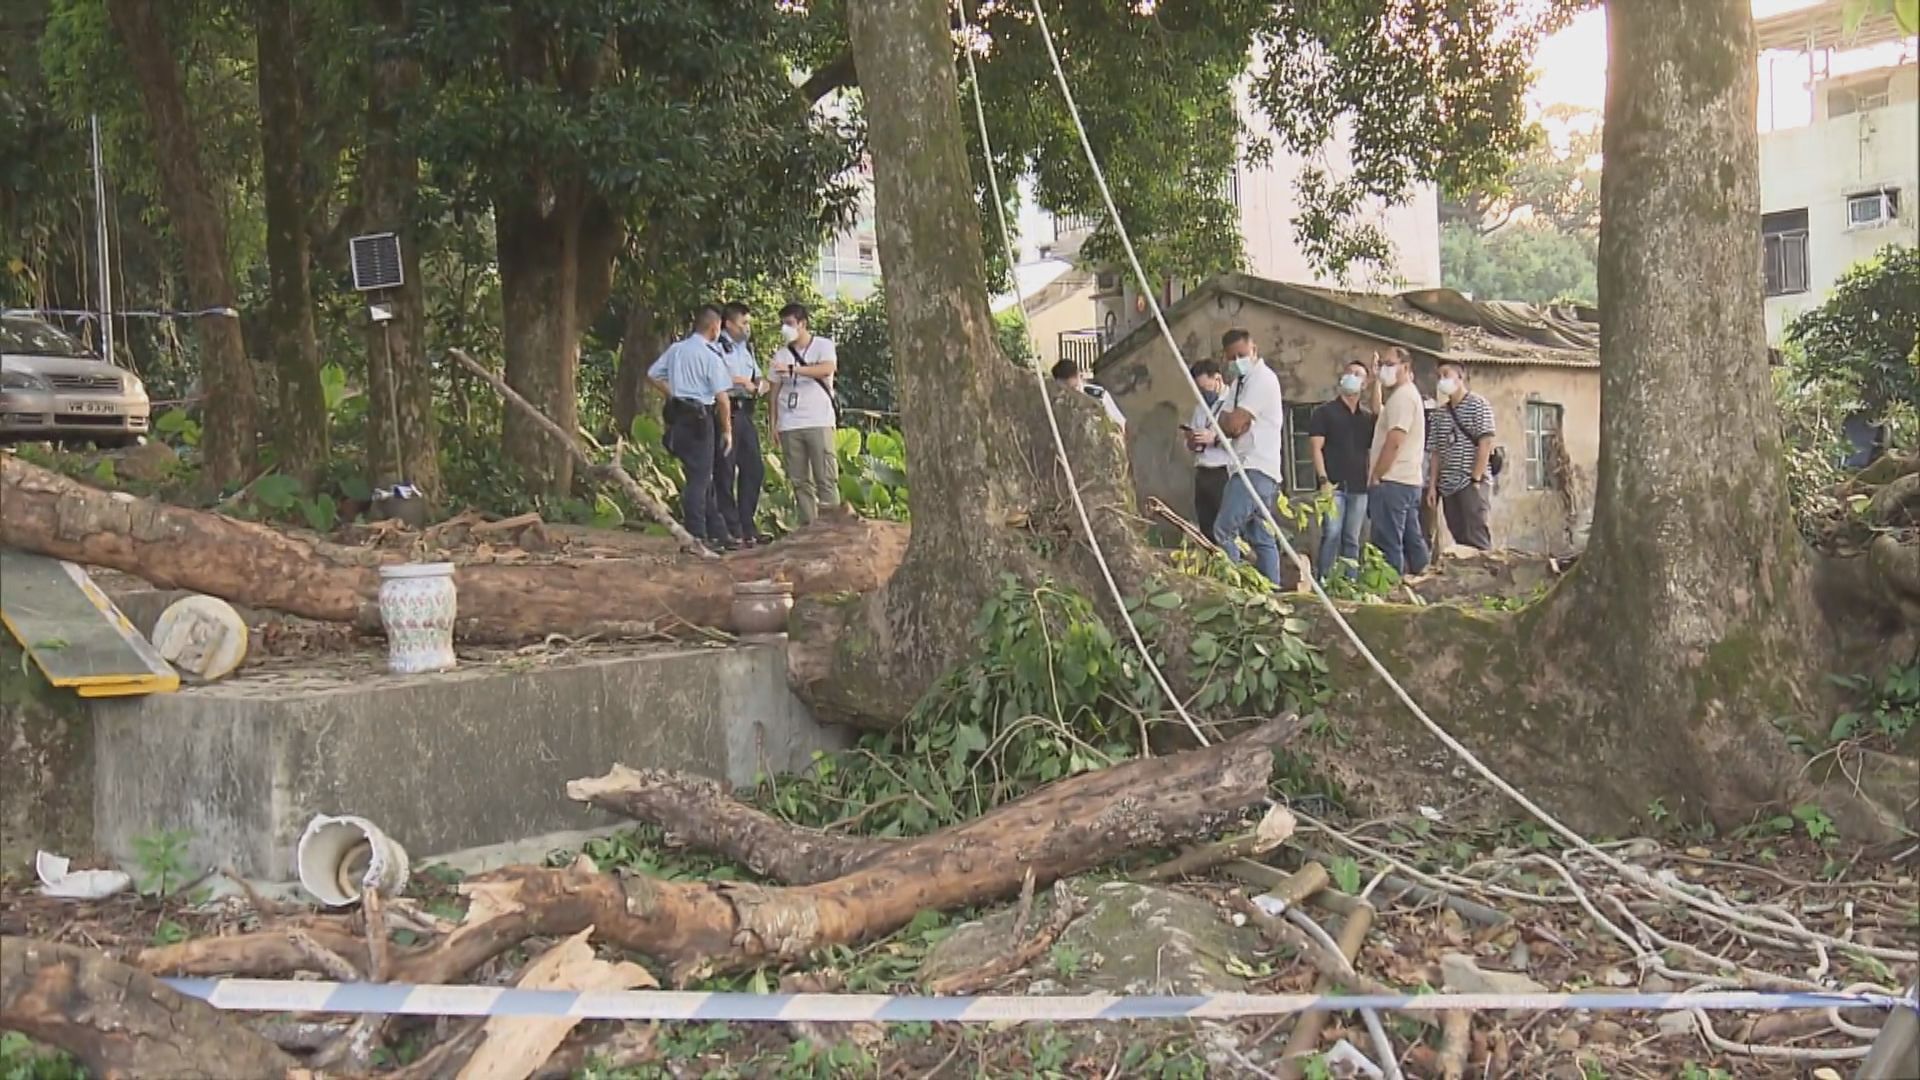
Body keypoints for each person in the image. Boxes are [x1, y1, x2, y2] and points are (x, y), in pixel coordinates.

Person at [647, 307, 735, 552]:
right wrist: (727, 431)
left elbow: (652, 374)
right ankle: (695, 535)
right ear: (714, 328)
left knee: (698, 475)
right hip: (699, 419)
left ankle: (718, 532)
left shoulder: (677, 350)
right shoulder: (709, 356)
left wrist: (674, 394)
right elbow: (723, 398)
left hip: (678, 418)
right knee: (699, 480)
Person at [1209, 328, 1286, 585]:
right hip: (1247, 466)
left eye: (1242, 355)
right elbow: (1223, 420)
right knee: (1261, 536)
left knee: (1223, 529)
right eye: (1232, 357)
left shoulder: (1263, 379)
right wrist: (1233, 423)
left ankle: (1237, 587)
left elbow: (1232, 425)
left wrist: (1234, 423)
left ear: (1254, 350)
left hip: (1255, 467)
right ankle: (1271, 591)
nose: (1237, 362)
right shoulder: (1239, 384)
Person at [769, 303, 842, 525]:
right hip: (790, 423)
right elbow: (774, 390)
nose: (785, 329)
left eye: (789, 324)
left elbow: (827, 368)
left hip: (818, 420)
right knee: (800, 481)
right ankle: (809, 528)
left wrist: (793, 369)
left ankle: (833, 529)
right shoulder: (780, 354)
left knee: (825, 478)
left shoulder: (823, 345)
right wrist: (773, 422)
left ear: (802, 324)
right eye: (783, 324)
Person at [1365, 347, 1430, 575]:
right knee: (1413, 540)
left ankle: (1393, 591)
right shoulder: (1401, 397)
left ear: (1405, 367)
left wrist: (1377, 474)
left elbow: (1394, 441)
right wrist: (1376, 382)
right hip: (1407, 482)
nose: (1385, 368)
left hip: (1393, 482)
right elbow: (1378, 411)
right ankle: (1426, 582)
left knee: (1388, 544)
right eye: (1383, 363)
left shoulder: (1404, 398)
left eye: (1390, 364)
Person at [1307, 359, 1374, 579]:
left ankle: (1350, 583)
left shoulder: (1366, 418)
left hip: (1359, 486)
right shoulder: (1324, 412)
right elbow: (1316, 448)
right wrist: (1323, 479)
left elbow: (1379, 422)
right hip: (1333, 485)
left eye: (1358, 374)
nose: (1352, 377)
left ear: (1365, 384)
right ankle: (1325, 580)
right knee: (1331, 534)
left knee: (1352, 538)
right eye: (1349, 372)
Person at [1425, 361, 1496, 550]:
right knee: (1459, 535)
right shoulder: (1439, 414)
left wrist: (1476, 479)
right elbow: (1435, 452)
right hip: (1448, 486)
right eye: (1439, 376)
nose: (1442, 380)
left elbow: (1485, 443)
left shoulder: (1478, 405)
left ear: (1460, 377)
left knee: (1477, 535)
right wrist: (1432, 486)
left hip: (1469, 482)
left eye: (1446, 375)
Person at [717, 302, 769, 546]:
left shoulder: (745, 348)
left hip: (745, 413)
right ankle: (731, 528)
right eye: (743, 323)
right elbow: (713, 376)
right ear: (728, 323)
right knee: (725, 472)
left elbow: (757, 375)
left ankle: (747, 524)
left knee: (754, 469)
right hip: (725, 412)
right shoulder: (717, 346)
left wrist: (759, 384)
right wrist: (741, 382)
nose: (747, 328)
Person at [1184, 359, 1231, 539]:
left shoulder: (1232, 403)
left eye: (1205, 388)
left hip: (1223, 470)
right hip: (1202, 469)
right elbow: (1192, 437)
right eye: (1198, 390)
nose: (1203, 393)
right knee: (1206, 525)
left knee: (1224, 526)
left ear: (1217, 379)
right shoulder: (1199, 408)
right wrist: (1192, 441)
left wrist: (1215, 438)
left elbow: (1240, 439)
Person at [1051, 359, 1128, 431]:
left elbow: (1119, 423)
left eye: (1073, 388)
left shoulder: (1098, 395)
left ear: (1079, 376)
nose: (1069, 393)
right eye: (1062, 389)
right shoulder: (1055, 403)